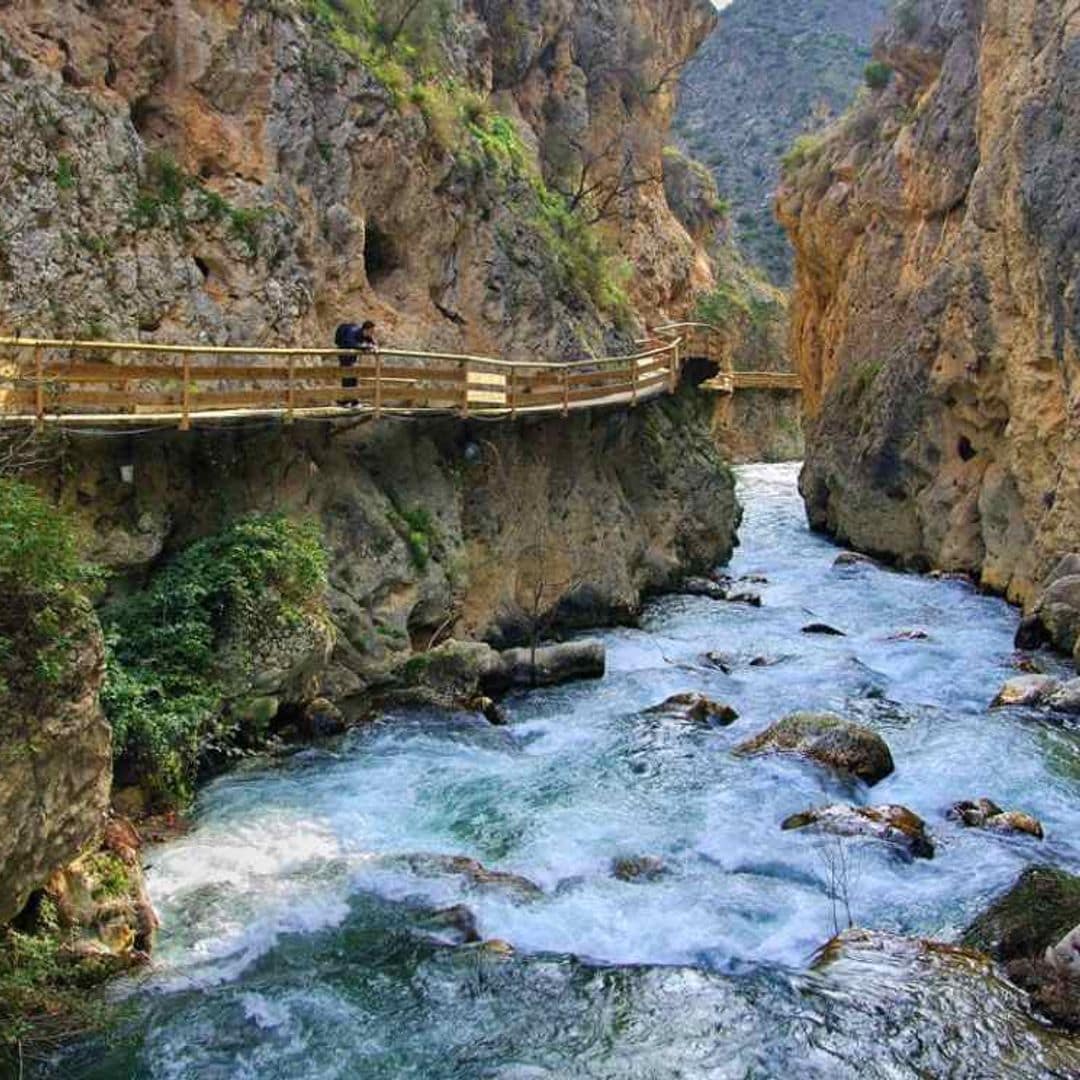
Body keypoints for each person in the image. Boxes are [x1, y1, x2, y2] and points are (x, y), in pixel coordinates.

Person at [334, 320, 377, 407]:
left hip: (352, 356)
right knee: (347, 377)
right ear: (366, 330)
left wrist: (373, 346)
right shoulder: (352, 332)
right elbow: (350, 343)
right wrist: (363, 347)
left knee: (352, 377)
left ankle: (350, 401)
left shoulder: (365, 334)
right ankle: (347, 401)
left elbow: (372, 342)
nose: (372, 334)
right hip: (344, 355)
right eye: (371, 331)